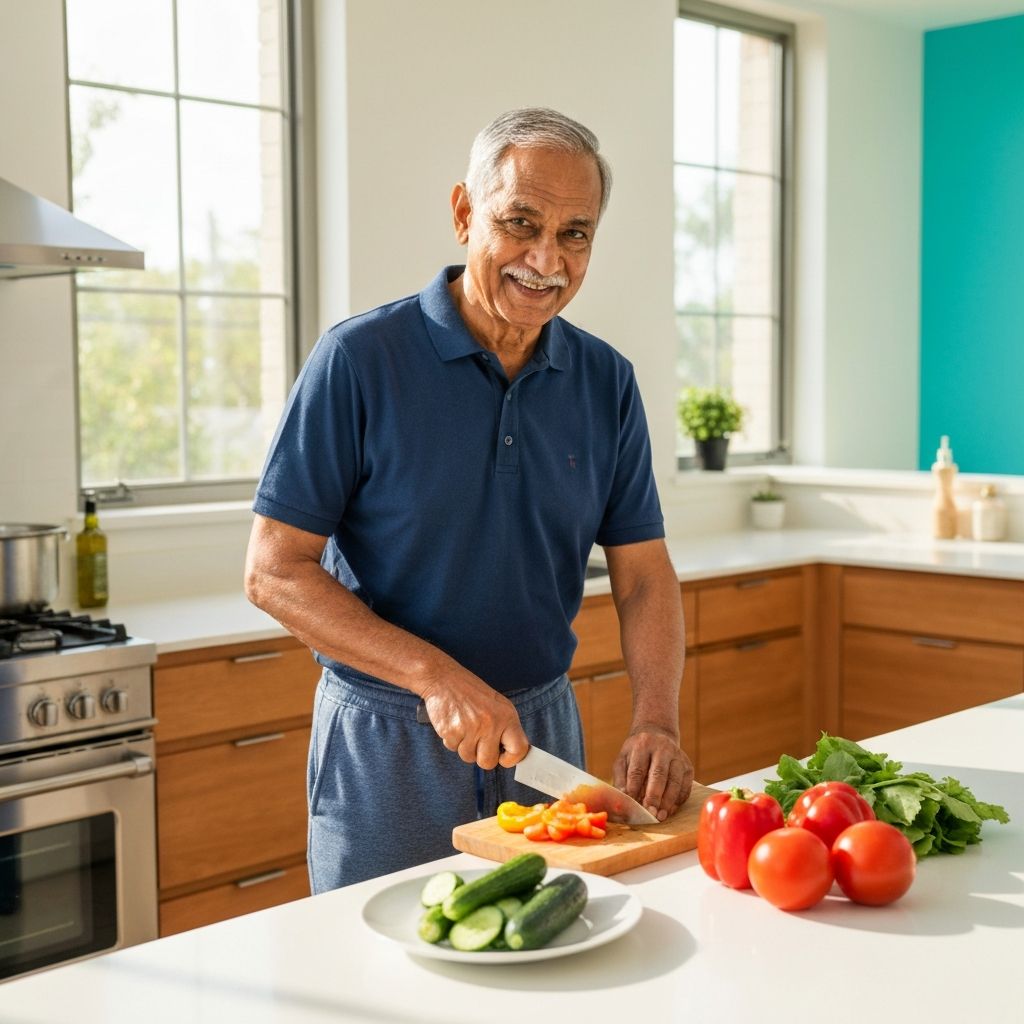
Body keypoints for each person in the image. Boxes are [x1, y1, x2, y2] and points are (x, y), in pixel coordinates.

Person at [244, 107, 694, 893]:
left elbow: (646, 574)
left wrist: (656, 717)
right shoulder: (357, 360)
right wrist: (435, 677)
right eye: (519, 222)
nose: (545, 258)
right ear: (463, 213)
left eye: (575, 234)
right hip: (389, 742)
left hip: (543, 734)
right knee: (374, 986)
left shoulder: (607, 382)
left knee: (545, 973)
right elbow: (274, 571)